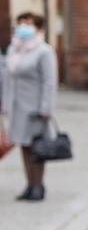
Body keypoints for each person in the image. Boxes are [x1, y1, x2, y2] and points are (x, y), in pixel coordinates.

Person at [2, 11, 59, 202]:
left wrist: (46, 108)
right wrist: (5, 103)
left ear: (38, 28)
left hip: (34, 108)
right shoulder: (15, 49)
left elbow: (49, 82)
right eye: (21, 24)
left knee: (37, 147)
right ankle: (29, 184)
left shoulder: (44, 51)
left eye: (28, 24)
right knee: (24, 146)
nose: (24, 28)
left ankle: (38, 185)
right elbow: (8, 77)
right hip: (17, 107)